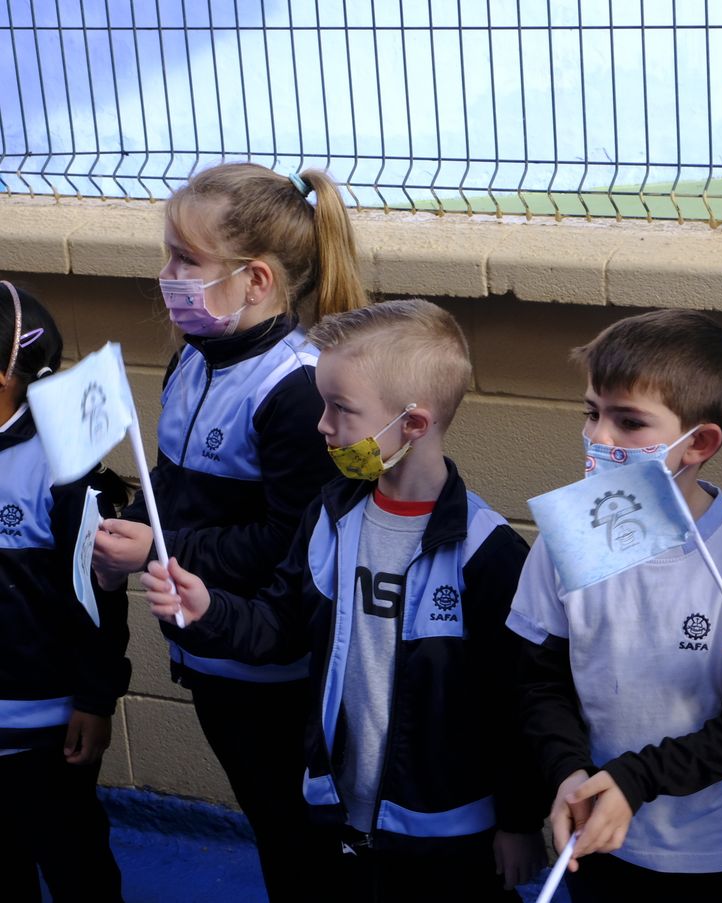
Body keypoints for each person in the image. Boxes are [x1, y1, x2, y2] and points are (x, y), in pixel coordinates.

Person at [142, 298, 542, 901]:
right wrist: (207, 613)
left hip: (452, 833)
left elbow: (517, 703)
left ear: (412, 424)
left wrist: (516, 821)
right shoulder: (329, 516)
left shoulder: (488, 553)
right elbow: (280, 625)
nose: (322, 425)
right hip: (345, 818)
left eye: (341, 409)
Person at [91, 162, 367, 900]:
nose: (166, 274)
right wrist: (131, 529)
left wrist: (162, 548)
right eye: (168, 254)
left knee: (300, 837)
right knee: (273, 828)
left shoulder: (295, 388)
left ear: (257, 281)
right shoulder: (189, 360)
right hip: (209, 652)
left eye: (186, 259)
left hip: (272, 671)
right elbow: (173, 490)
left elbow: (291, 544)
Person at [511, 308, 722, 902]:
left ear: (700, 444)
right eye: (592, 412)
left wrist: (636, 779)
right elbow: (538, 683)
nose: (598, 437)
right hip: (595, 840)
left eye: (630, 421)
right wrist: (570, 773)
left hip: (710, 856)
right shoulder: (572, 537)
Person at [0, 281, 131, 903]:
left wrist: (96, 698)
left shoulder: (63, 471)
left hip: (47, 729)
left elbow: (100, 598)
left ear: (3, 375)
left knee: (75, 864)